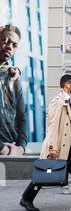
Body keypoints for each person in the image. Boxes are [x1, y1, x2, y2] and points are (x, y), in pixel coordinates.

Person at [20, 74, 71, 211]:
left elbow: (67, 124)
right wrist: (52, 147)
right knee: (45, 172)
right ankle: (26, 199)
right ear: (67, 84)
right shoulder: (58, 102)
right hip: (58, 145)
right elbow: (52, 126)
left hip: (69, 145)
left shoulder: (70, 101)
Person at [0, 25, 27, 157]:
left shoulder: (13, 76)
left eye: (14, 45)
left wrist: (20, 147)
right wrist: (3, 149)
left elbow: (22, 117)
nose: (10, 47)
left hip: (11, 152)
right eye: (5, 41)